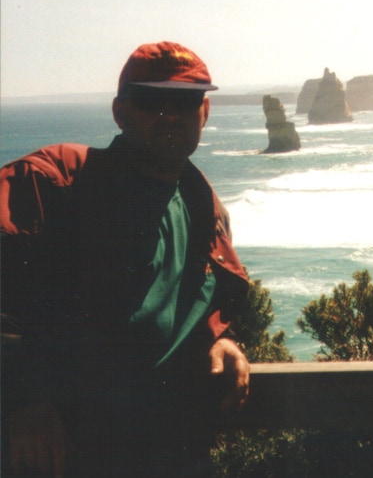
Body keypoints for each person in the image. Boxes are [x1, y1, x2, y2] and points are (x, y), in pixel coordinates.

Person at [1, 42, 251, 477]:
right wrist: (23, 400)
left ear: (205, 112)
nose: (169, 115)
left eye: (185, 102)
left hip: (173, 450)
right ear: (120, 112)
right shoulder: (54, 180)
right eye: (150, 101)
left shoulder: (203, 206)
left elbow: (192, 300)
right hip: (70, 454)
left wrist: (217, 338)